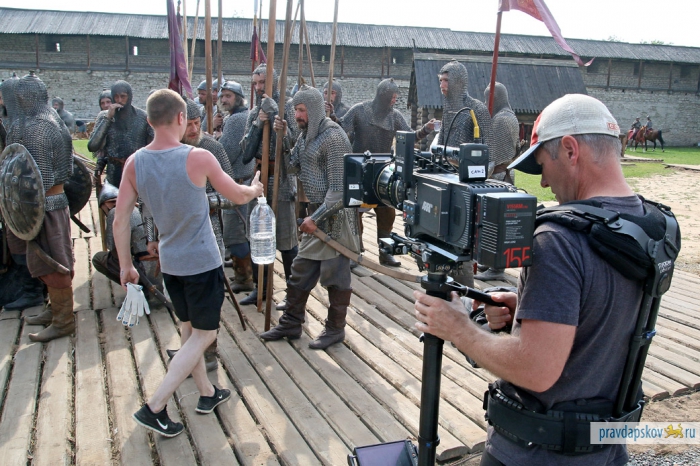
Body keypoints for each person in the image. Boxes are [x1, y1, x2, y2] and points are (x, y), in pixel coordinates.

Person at [414, 94, 649, 465]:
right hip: (606, 449)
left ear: (570, 150)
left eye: (542, 166)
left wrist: (458, 328)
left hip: (535, 453)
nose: (544, 183)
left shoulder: (558, 240)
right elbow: (603, 313)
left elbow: (535, 370)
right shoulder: (651, 225)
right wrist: (529, 308)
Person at [115, 88, 262, 438]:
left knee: (187, 329)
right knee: (205, 334)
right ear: (181, 118)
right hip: (201, 262)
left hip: (170, 263)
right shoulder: (198, 157)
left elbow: (120, 220)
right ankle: (155, 407)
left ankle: (208, 392)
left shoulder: (135, 162)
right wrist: (255, 190)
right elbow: (236, 194)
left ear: (150, 120)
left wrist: (125, 265)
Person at [260, 84, 360, 349]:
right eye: (295, 110)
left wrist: (315, 218)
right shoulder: (307, 135)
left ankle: (335, 329)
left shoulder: (333, 137)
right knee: (300, 271)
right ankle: (291, 323)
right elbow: (293, 166)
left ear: (314, 110)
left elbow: (339, 190)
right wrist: (283, 137)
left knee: (336, 277)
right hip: (317, 213)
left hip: (337, 217)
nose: (297, 115)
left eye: (302, 110)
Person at [3, 72, 75, 342]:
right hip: (49, 203)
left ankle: (64, 322)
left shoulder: (37, 127)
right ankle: (54, 310)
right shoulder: (52, 120)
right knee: (45, 260)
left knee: (53, 263)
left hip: (45, 205)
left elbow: (39, 179)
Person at [333, 78, 435, 267]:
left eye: (396, 97)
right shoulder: (359, 110)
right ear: (382, 96)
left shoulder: (394, 116)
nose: (394, 100)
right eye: (392, 97)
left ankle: (385, 252)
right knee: (354, 213)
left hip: (383, 171)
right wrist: (331, 118)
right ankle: (354, 251)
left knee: (387, 213)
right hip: (360, 169)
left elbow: (409, 137)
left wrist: (425, 130)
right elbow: (340, 129)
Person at [238, 64, 299, 306]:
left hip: (281, 180)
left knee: (286, 241)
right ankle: (261, 289)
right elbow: (246, 154)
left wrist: (276, 117)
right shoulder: (255, 112)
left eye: (262, 82)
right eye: (255, 83)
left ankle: (293, 294)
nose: (258, 87)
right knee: (257, 237)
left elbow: (295, 146)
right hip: (259, 181)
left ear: (274, 82)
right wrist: (258, 123)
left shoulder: (289, 108)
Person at [436, 60, 494, 287]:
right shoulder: (448, 108)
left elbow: (488, 152)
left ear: (458, 82)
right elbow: (441, 145)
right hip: (446, 180)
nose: (442, 84)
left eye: (446, 80)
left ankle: (466, 292)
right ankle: (444, 286)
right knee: (441, 234)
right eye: (441, 80)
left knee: (461, 239)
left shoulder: (476, 109)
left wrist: (477, 182)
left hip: (466, 183)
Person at [475, 82, 520, 282]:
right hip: (502, 176)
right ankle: (490, 260)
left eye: (488, 99)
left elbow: (495, 156)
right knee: (491, 221)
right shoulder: (510, 116)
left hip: (500, 177)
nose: (486, 103)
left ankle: (496, 268)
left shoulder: (502, 120)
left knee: (497, 223)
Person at [217, 80, 256, 293]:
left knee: (235, 233)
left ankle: (244, 278)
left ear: (238, 99)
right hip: (243, 181)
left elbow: (225, 153)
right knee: (239, 232)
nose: (224, 100)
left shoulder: (236, 120)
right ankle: (246, 275)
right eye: (222, 96)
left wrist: (214, 143)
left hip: (237, 182)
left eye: (228, 96)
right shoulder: (239, 117)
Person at [89, 80, 154, 187]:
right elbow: (93, 146)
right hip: (114, 171)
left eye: (123, 96)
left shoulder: (143, 117)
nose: (119, 100)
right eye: (116, 96)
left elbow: (152, 148)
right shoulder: (104, 117)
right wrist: (108, 119)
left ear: (129, 96)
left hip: (137, 170)